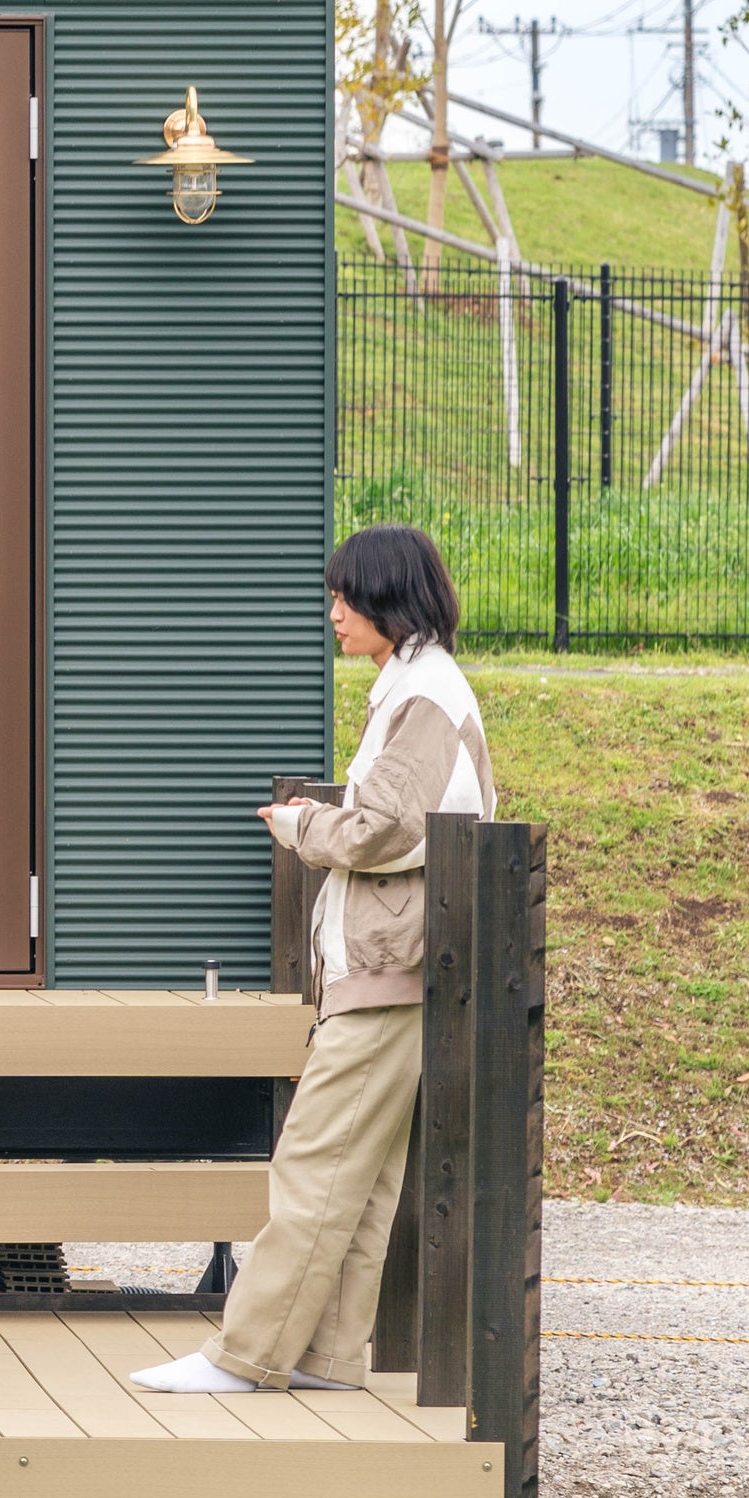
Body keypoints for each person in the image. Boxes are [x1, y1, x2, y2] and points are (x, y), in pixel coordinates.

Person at [134, 524, 495, 1396]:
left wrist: (302, 827)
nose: (332, 613)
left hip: (388, 973)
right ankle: (325, 1356)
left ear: (389, 602)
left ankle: (245, 1355)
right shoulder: (414, 687)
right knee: (359, 1182)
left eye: (345, 597)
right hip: (399, 968)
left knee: (313, 1164)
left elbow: (383, 828)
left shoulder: (425, 697)